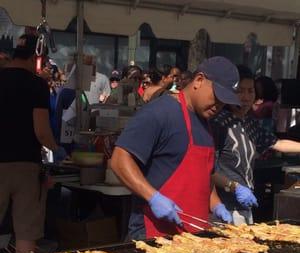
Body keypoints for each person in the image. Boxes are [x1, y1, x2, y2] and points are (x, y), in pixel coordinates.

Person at [111, 57, 241, 239]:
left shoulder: (208, 124)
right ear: (199, 80)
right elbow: (118, 160)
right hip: (154, 234)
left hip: (195, 237)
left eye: (224, 102)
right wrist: (153, 198)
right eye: (217, 97)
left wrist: (216, 205)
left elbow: (204, 176)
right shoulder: (159, 112)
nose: (219, 106)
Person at [0, 34, 66, 253]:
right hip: (25, 167)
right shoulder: (36, 85)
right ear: (34, 59)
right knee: (26, 233)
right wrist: (56, 149)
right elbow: (41, 130)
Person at [210, 65, 300, 225]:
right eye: (240, 91)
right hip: (222, 206)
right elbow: (209, 170)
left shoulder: (250, 123)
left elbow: (278, 144)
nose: (245, 97)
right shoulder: (218, 122)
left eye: (250, 91)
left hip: (245, 207)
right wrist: (234, 187)